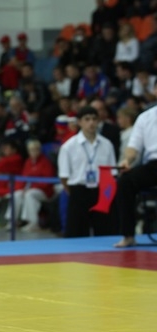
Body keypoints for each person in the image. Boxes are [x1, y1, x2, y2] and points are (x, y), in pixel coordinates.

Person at [57, 106, 117, 238]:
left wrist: (106, 193)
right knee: (76, 234)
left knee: (105, 232)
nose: (91, 123)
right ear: (79, 122)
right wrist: (73, 193)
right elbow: (64, 176)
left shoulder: (107, 144)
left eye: (94, 119)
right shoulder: (68, 146)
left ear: (98, 121)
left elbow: (111, 173)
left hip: (101, 192)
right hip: (79, 191)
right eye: (87, 119)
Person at [113, 98, 157, 248]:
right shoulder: (145, 118)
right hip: (153, 165)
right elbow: (133, 147)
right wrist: (127, 160)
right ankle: (128, 235)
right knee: (125, 181)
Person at [4, 139, 56, 232]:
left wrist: (30, 188)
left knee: (30, 194)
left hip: (45, 190)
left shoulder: (45, 162)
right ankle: (12, 221)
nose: (33, 152)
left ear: (39, 150)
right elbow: (24, 178)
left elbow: (47, 182)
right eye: (31, 150)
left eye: (35, 149)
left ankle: (33, 223)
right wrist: (21, 189)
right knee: (16, 194)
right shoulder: (28, 162)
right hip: (29, 189)